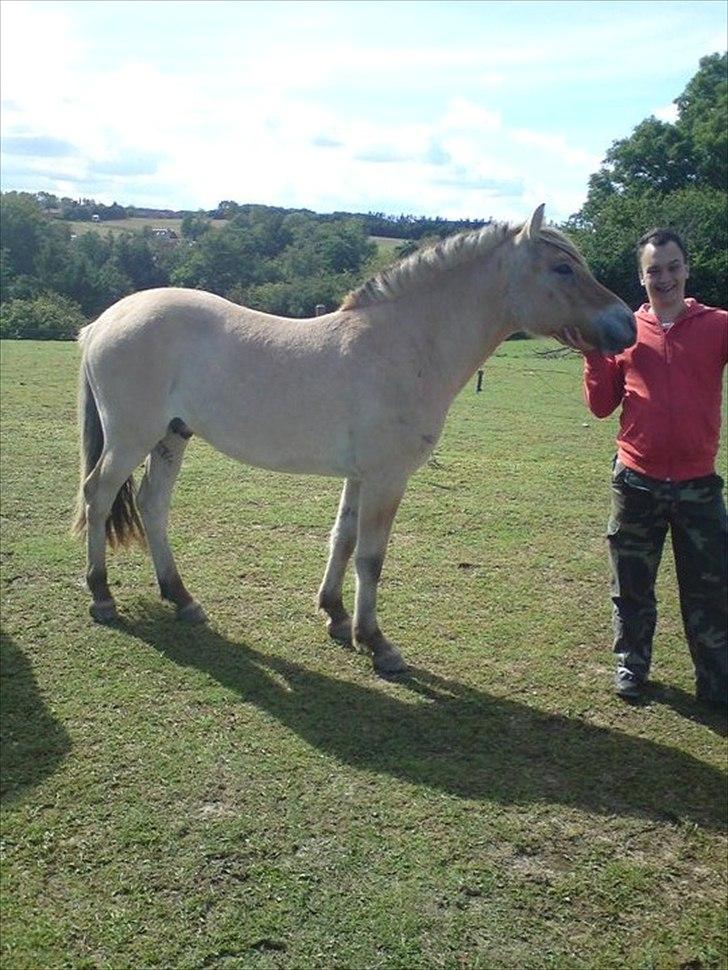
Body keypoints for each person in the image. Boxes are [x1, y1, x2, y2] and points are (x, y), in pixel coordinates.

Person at [561, 228, 727, 706]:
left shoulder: (717, 325)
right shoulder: (624, 331)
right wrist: (593, 354)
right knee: (631, 588)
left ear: (687, 270)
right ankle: (632, 668)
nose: (665, 277)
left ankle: (716, 682)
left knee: (710, 592)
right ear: (642, 277)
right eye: (654, 270)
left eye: (673, 267)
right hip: (636, 482)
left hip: (699, 486)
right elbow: (600, 405)